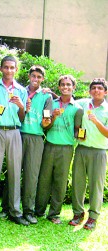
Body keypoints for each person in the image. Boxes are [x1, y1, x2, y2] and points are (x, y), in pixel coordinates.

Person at [0, 55, 29, 226]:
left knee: (15, 172)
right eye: (6, 67)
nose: (9, 70)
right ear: (1, 68)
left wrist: (21, 106)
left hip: (14, 132)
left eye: (12, 67)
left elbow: (22, 118)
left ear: (16, 69)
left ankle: (14, 211)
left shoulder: (22, 91)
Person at [35, 75, 83, 224]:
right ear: (59, 87)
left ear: (73, 87)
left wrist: (81, 135)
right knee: (44, 179)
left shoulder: (78, 109)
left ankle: (54, 214)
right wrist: (53, 117)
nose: (65, 87)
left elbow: (77, 129)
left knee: (60, 182)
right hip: (49, 145)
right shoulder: (51, 104)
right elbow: (46, 126)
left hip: (66, 148)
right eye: (62, 84)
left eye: (69, 85)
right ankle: (39, 211)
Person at [69, 78, 108, 230]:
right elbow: (67, 98)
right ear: (90, 91)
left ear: (105, 92)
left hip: (99, 151)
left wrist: (96, 121)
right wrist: (50, 92)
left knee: (95, 185)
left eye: (100, 88)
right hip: (81, 149)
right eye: (94, 88)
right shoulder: (83, 103)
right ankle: (78, 213)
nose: (96, 90)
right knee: (78, 184)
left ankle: (93, 217)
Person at [20, 65, 52, 224]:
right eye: (33, 76)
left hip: (36, 138)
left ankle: (28, 210)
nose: (36, 79)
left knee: (31, 176)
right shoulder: (20, 91)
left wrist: (46, 122)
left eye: (39, 77)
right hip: (18, 135)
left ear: (42, 79)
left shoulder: (46, 96)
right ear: (29, 76)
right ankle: (7, 208)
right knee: (13, 172)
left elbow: (46, 122)